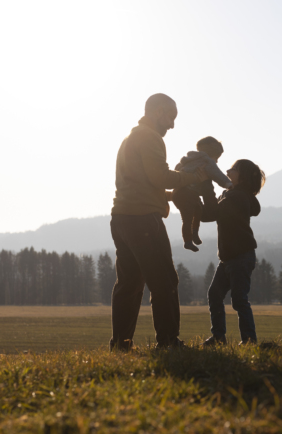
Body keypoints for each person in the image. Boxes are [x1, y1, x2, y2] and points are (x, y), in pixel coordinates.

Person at [109, 93, 208, 351]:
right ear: (158, 111)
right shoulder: (151, 137)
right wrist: (191, 178)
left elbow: (140, 184)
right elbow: (160, 177)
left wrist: (171, 195)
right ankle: (168, 342)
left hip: (121, 217)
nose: (172, 125)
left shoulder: (129, 139)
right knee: (164, 280)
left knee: (129, 284)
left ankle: (121, 344)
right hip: (143, 220)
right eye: (171, 117)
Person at [200, 159, 265, 346]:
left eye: (233, 169)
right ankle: (220, 338)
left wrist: (205, 185)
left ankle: (248, 340)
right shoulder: (232, 195)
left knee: (238, 300)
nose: (228, 171)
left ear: (242, 177)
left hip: (239, 257)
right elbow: (210, 213)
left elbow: (211, 213)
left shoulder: (236, 197)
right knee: (216, 295)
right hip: (231, 258)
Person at [172, 136, 233, 252]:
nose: (217, 161)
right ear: (212, 154)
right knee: (189, 217)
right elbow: (218, 174)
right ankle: (189, 240)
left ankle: (193, 234)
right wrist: (228, 184)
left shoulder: (188, 160)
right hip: (187, 194)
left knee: (196, 212)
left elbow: (177, 170)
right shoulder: (207, 162)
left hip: (179, 193)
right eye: (216, 157)